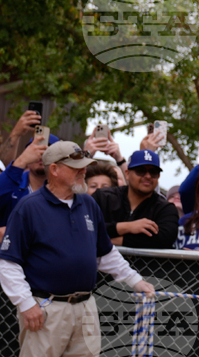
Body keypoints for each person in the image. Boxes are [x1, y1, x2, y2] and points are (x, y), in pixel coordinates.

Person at [0, 141, 155, 357]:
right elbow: (8, 263)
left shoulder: (89, 204)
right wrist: (26, 304)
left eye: (84, 165)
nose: (84, 171)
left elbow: (105, 253)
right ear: (54, 169)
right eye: (76, 167)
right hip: (46, 307)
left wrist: (135, 280)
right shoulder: (28, 207)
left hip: (86, 306)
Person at [93, 150, 179, 249]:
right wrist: (128, 227)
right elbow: (88, 228)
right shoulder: (103, 197)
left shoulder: (165, 208)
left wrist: (112, 240)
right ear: (127, 174)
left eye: (153, 172)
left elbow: (164, 239)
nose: (148, 176)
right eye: (140, 171)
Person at [0, 132, 60, 230]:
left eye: (48, 151)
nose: (41, 155)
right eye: (36, 150)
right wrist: (20, 162)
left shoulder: (65, 192)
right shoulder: (11, 184)